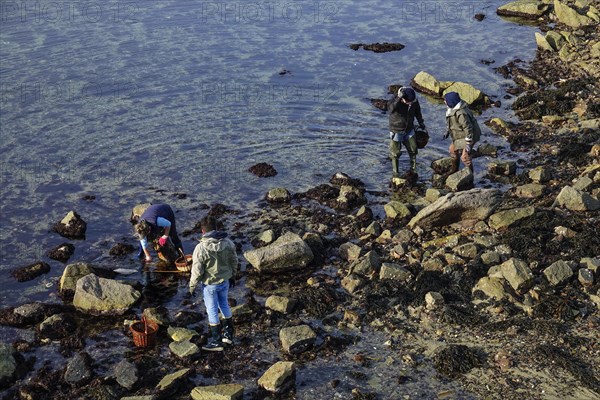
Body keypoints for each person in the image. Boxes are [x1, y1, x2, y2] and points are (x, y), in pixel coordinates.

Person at [188, 215, 238, 352]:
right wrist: (233, 275)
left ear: (203, 232)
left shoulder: (201, 248)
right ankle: (228, 335)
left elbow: (197, 270)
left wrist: (191, 286)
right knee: (224, 305)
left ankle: (216, 341)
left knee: (212, 310)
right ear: (216, 228)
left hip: (210, 285)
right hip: (225, 281)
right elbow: (234, 261)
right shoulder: (228, 243)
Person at [387, 86, 426, 176]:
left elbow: (418, 112)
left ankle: (413, 170)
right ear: (402, 98)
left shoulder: (413, 100)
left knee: (413, 149)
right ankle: (395, 173)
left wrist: (421, 123)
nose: (410, 104)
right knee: (395, 153)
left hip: (409, 129)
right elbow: (390, 109)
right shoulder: (395, 100)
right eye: (408, 102)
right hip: (396, 130)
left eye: (411, 102)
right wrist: (398, 98)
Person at [443, 92, 481, 174]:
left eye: (446, 101)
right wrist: (447, 132)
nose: (444, 102)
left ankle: (470, 174)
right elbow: (451, 123)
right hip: (459, 135)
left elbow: (468, 128)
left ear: (451, 103)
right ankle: (454, 170)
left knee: (464, 157)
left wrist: (468, 144)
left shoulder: (461, 114)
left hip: (470, 136)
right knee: (452, 150)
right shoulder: (451, 109)